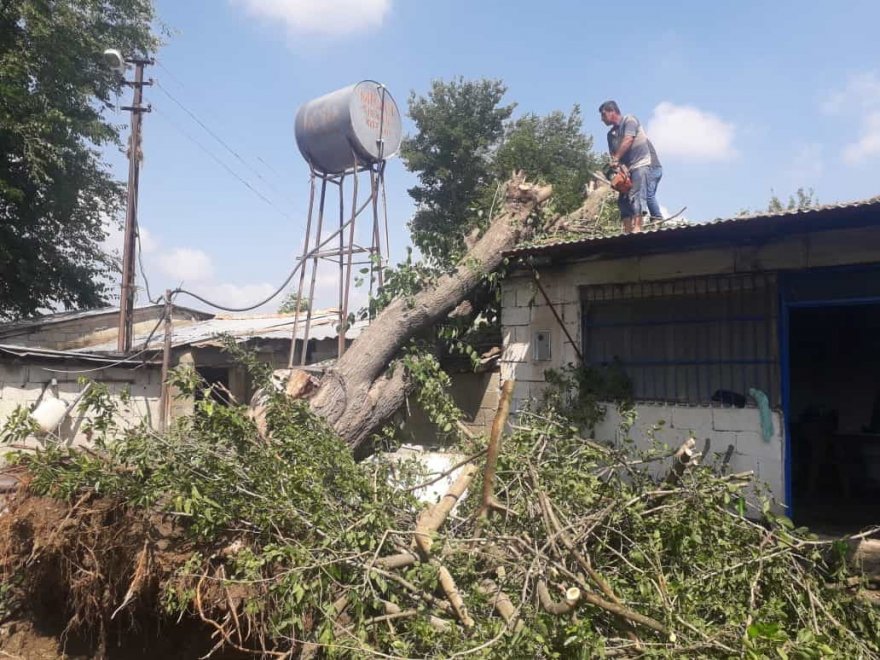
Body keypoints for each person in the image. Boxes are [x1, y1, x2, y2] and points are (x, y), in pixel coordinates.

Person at [598, 100, 662, 233]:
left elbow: (628, 140)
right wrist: (619, 169)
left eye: (603, 115)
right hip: (628, 169)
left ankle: (640, 227)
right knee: (623, 200)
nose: (602, 119)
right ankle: (627, 230)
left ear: (612, 111)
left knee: (638, 195)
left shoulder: (630, 120)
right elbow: (614, 155)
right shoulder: (610, 136)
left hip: (642, 163)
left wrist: (616, 159)